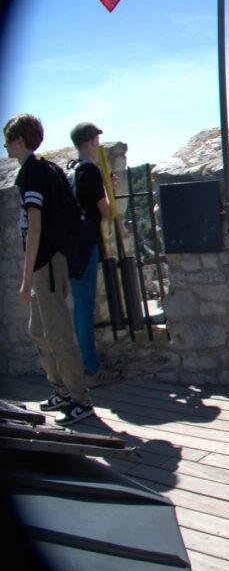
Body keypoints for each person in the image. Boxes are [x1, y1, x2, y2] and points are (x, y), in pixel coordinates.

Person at [4, 113, 93, 425]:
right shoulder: (37, 170)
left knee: (58, 334)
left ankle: (81, 399)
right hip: (46, 263)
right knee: (39, 332)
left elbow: (35, 227)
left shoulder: (32, 174)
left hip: (47, 264)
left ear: (20, 140)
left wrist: (26, 278)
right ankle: (62, 390)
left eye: (8, 140)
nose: (5, 146)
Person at [68, 122, 118, 386]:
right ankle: (91, 369)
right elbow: (106, 212)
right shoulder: (89, 170)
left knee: (81, 305)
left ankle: (88, 363)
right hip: (86, 244)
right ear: (93, 141)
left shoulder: (72, 169)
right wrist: (108, 189)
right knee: (84, 308)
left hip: (72, 246)